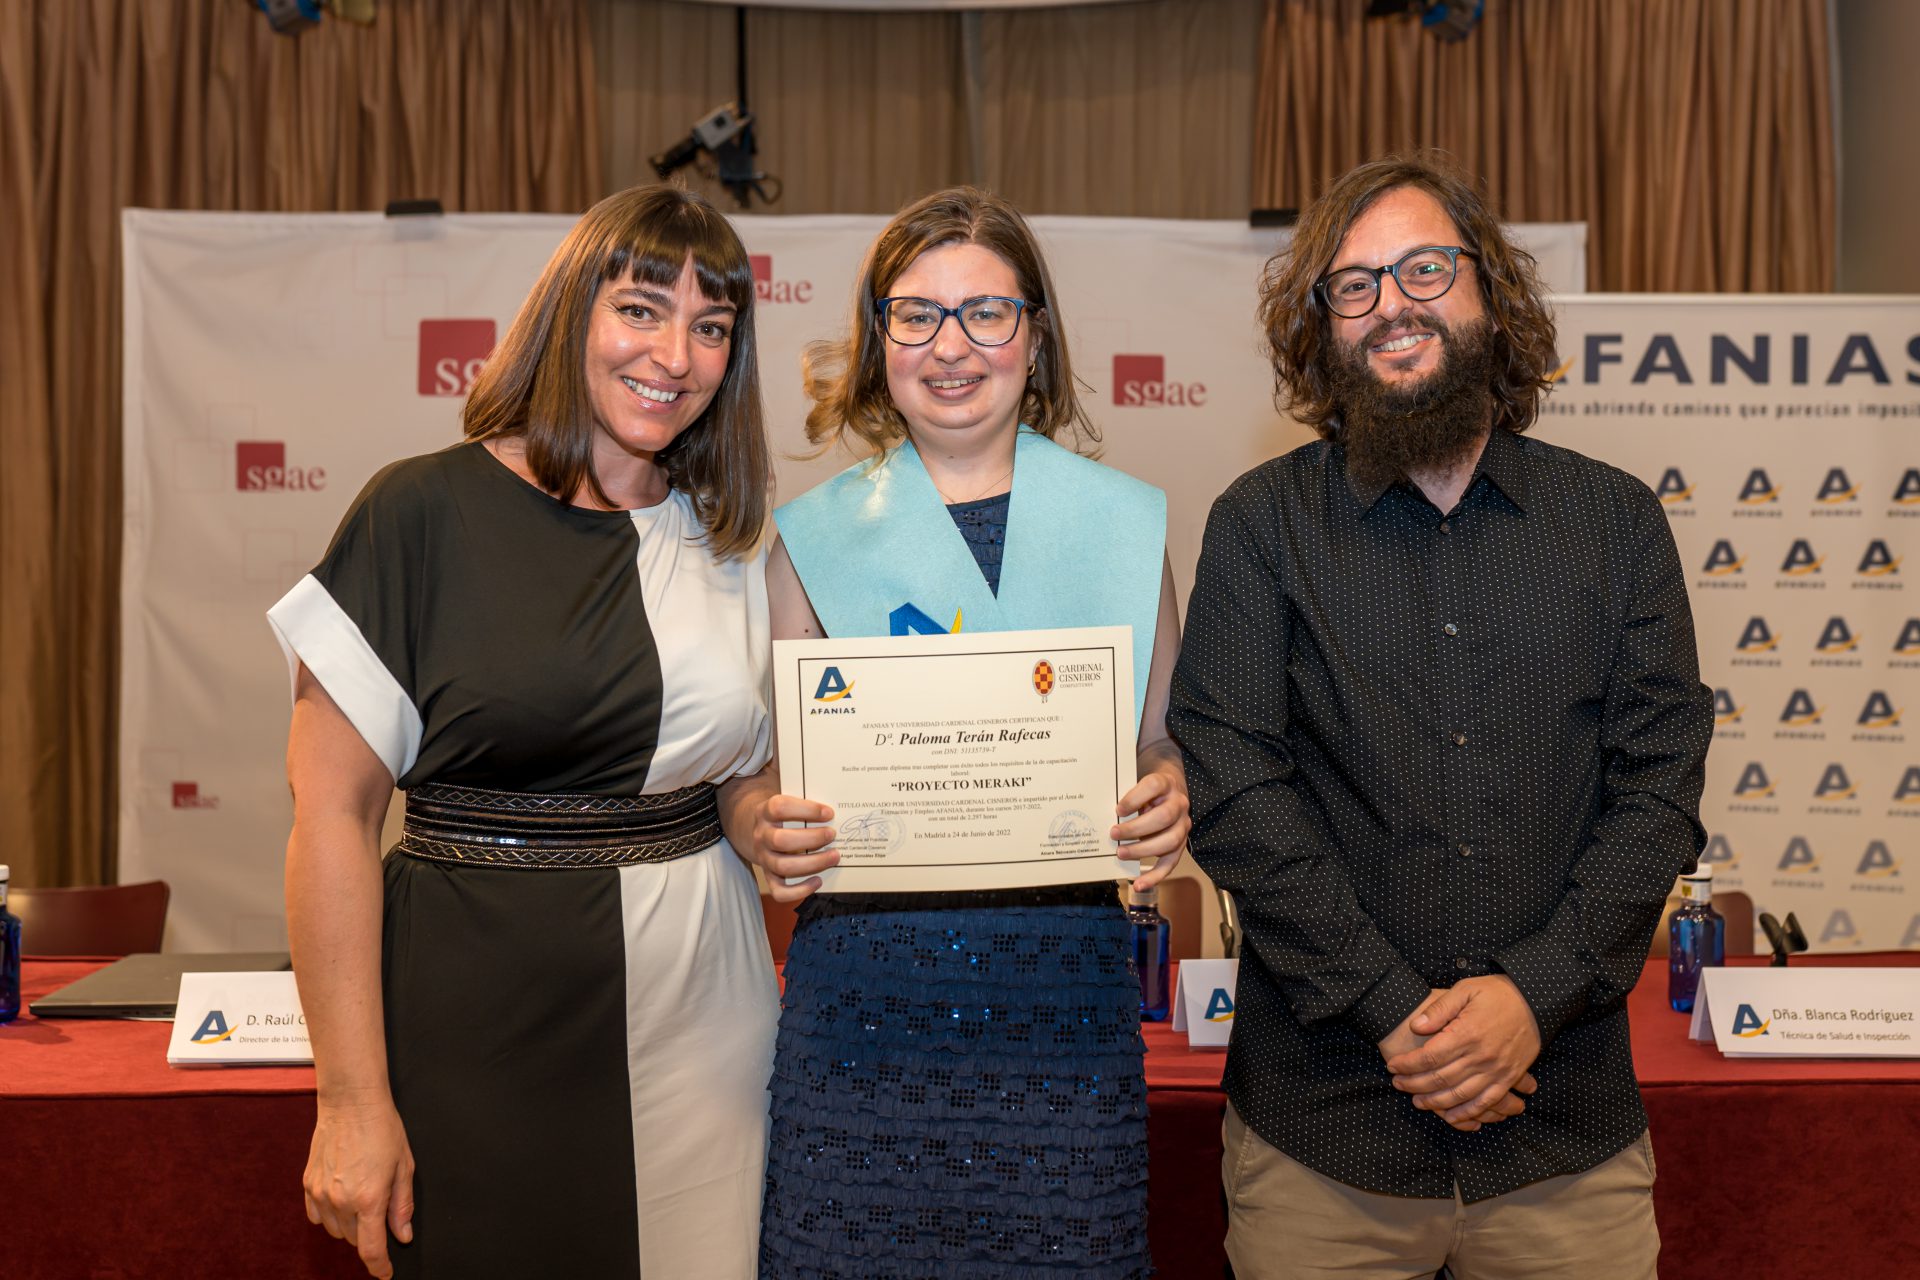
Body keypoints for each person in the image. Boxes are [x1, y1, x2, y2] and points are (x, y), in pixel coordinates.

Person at [1168, 154, 1713, 1280]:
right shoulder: (1261, 526)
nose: (1392, 306)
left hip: (1564, 1134)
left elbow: (1657, 789)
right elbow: (1234, 789)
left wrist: (1532, 992)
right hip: (1323, 1136)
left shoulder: (1615, 523)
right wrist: (1397, 1013)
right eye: (1354, 286)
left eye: (1424, 267)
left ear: (1489, 292)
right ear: (1322, 329)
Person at [268, 185, 779, 1280]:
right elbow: (333, 819)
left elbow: (744, 774)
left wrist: (769, 818)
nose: (675, 355)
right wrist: (352, 1101)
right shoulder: (418, 514)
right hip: (470, 1029)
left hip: (707, 1025)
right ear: (568, 315)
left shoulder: (732, 542)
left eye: (711, 326)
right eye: (641, 309)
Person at [731, 186, 1190, 1278]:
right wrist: (755, 820)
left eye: (987, 312)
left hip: (1064, 1021)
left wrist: (1174, 790)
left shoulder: (1126, 526)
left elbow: (1164, 742)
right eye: (917, 314)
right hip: (860, 1025)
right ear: (877, 339)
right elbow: (757, 773)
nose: (953, 345)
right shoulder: (805, 541)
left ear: (1035, 338)